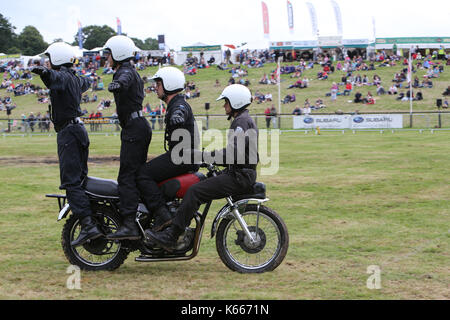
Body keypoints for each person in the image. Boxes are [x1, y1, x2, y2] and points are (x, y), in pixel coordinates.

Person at [145, 84, 259, 250]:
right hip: (240, 173)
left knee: (194, 191)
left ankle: (172, 235)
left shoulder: (240, 122)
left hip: (239, 176)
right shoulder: (244, 120)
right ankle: (179, 222)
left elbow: (233, 154)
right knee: (201, 184)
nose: (224, 105)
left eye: (226, 102)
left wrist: (205, 156)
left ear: (235, 102)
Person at [31, 42, 102, 246]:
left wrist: (44, 72)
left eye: (49, 59)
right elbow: (85, 82)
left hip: (69, 134)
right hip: (78, 131)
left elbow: (54, 77)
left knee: (71, 182)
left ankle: (89, 226)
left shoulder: (60, 76)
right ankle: (94, 218)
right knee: (81, 180)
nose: (47, 63)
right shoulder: (74, 79)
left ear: (57, 59)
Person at [136, 67, 199, 233]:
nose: (155, 87)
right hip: (182, 156)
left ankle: (163, 215)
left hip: (181, 157)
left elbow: (181, 111)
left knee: (143, 174)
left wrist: (176, 117)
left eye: (158, 84)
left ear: (169, 85)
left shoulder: (178, 105)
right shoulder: (175, 104)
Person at [103, 35, 152, 240]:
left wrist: (117, 85)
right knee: (137, 174)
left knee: (126, 177)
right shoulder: (128, 70)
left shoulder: (125, 72)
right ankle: (147, 213)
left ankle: (130, 224)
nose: (107, 59)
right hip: (137, 127)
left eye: (108, 55)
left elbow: (125, 80)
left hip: (134, 129)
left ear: (118, 53)